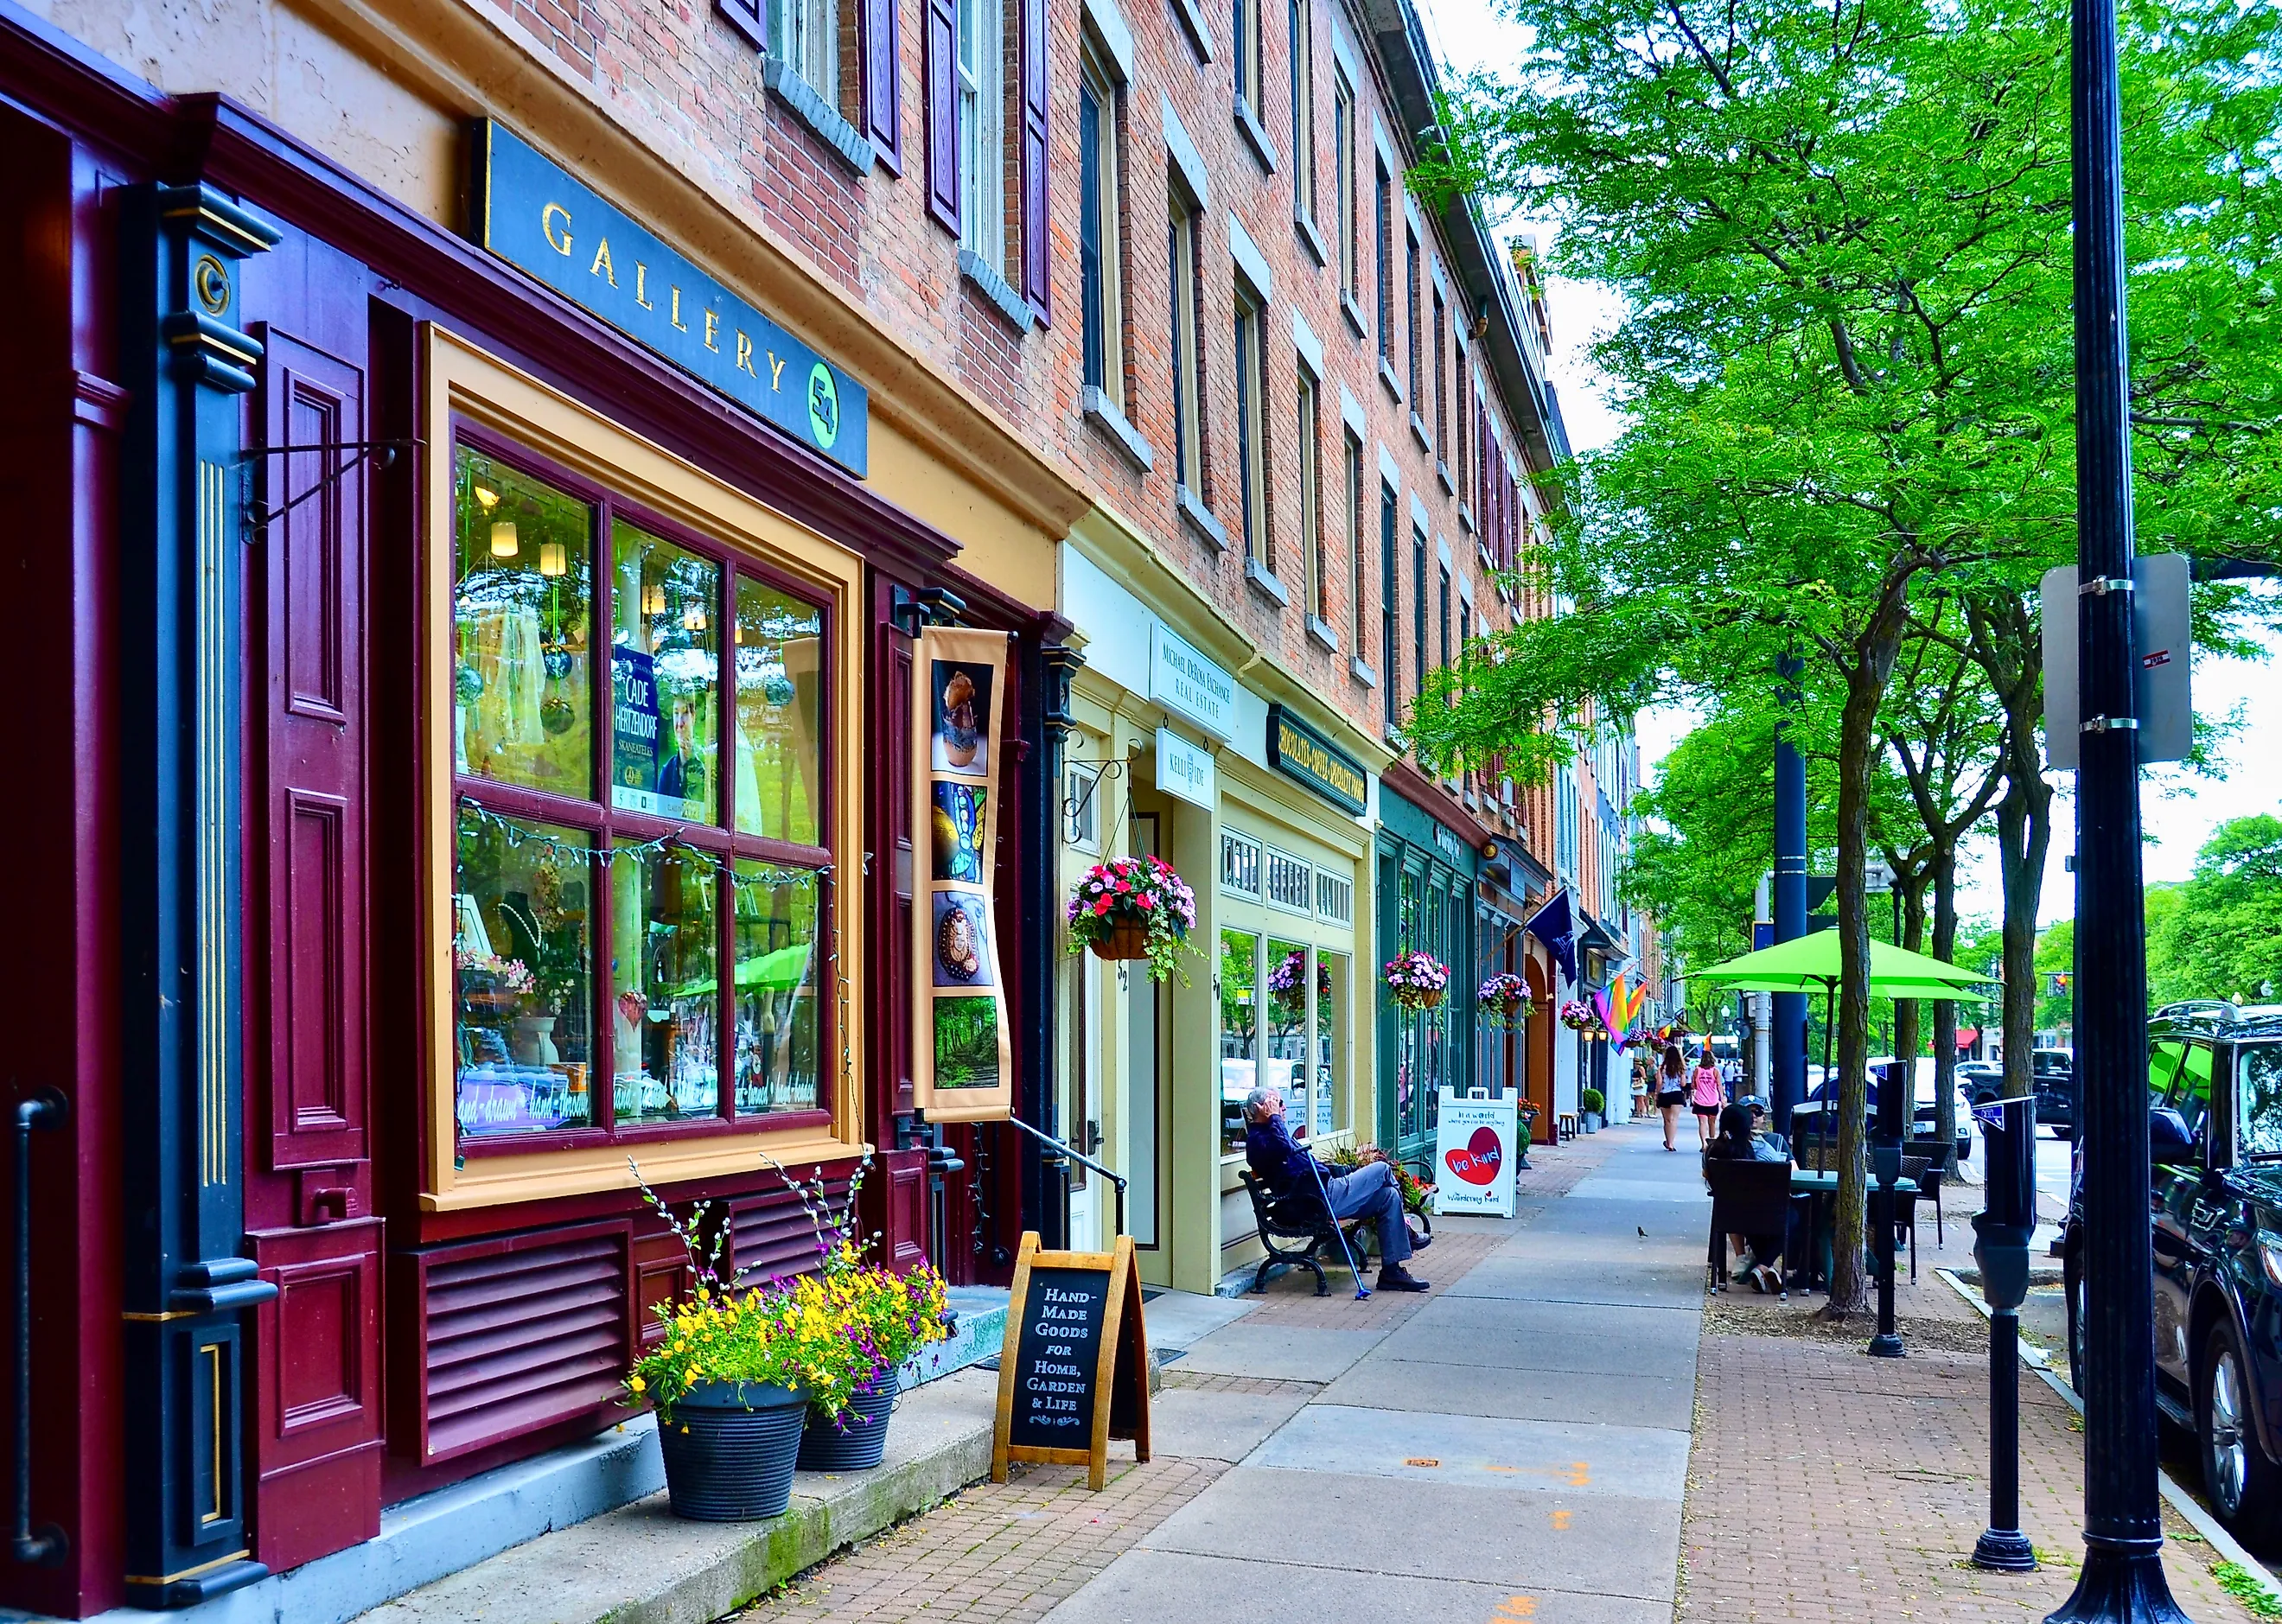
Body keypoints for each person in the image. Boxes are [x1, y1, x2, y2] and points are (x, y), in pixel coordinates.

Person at [1242, 1086, 1430, 1291]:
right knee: (1383, 1169)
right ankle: (1407, 1229)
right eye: (1277, 1104)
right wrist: (1275, 1119)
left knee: (1389, 1196)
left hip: (1323, 1192)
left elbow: (1302, 1161)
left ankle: (1391, 1273)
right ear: (1260, 1108)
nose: (1283, 1108)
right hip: (1316, 1200)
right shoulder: (1258, 1140)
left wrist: (1341, 1170)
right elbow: (1284, 1150)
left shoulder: (1274, 1132)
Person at [1704, 1101, 1792, 1293]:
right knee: (1793, 1219)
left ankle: (1763, 1269)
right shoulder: (1755, 1150)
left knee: (1754, 1222)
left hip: (1729, 1216)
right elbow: (1783, 1168)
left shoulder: (1712, 1152)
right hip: (1765, 1216)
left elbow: (1708, 1179)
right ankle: (1763, 1267)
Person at [1688, 1044, 1727, 1150]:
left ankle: (1703, 1144)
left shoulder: (1697, 1070)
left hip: (1700, 1100)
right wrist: (1722, 1098)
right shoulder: (1715, 1071)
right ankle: (1712, 1142)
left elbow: (1693, 1085)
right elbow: (1719, 1085)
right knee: (1712, 1123)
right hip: (1713, 1100)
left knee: (1702, 1123)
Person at [1656, 1042, 1689, 1151]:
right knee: (1674, 1120)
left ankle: (1668, 1141)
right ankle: (1671, 1143)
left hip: (1665, 1094)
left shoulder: (1661, 1068)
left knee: (1667, 1120)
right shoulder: (1681, 1067)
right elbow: (1683, 1084)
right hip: (1676, 1094)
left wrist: (1657, 1094)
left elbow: (1659, 1083)